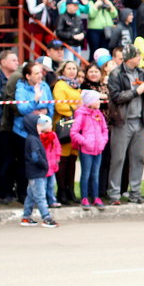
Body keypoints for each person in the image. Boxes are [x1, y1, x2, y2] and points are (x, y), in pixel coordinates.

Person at [106, 46, 144, 205]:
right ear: (130, 57)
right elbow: (116, 97)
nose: (140, 58)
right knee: (118, 158)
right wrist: (136, 91)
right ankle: (114, 194)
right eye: (137, 55)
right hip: (122, 121)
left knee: (138, 158)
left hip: (138, 120)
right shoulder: (116, 74)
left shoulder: (141, 72)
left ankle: (136, 193)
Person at [71, 90, 108, 209]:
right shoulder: (81, 115)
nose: (99, 102)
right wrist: (85, 142)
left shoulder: (99, 114)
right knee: (86, 174)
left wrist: (102, 141)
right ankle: (85, 197)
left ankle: (96, 197)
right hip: (86, 151)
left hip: (98, 150)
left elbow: (105, 130)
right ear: (90, 102)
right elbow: (74, 132)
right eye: (96, 100)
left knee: (95, 174)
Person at [51, 60, 82, 205]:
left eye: (74, 68)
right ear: (63, 70)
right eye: (69, 68)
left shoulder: (76, 86)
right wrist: (77, 108)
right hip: (64, 126)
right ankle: (61, 191)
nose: (71, 71)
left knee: (72, 160)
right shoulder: (60, 85)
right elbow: (60, 106)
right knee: (63, 160)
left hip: (76, 125)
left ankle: (70, 190)